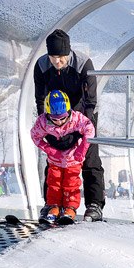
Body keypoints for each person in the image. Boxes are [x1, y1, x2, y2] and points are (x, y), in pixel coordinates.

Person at [34, 29, 105, 221]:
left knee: (89, 159)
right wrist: (47, 126)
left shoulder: (83, 64)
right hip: (55, 117)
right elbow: (40, 99)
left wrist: (79, 131)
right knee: (54, 160)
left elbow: (91, 101)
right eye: (53, 57)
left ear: (69, 52)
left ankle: (94, 204)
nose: (58, 61)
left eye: (62, 57)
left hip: (83, 116)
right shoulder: (41, 65)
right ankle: (51, 204)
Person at [30, 90, 95, 222]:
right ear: (48, 114)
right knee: (53, 183)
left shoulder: (76, 118)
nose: (59, 122)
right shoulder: (43, 122)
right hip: (55, 160)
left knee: (71, 183)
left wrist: (82, 149)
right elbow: (35, 136)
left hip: (73, 158)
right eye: (54, 119)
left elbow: (90, 129)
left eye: (62, 118)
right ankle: (54, 206)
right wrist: (49, 149)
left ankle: (70, 207)